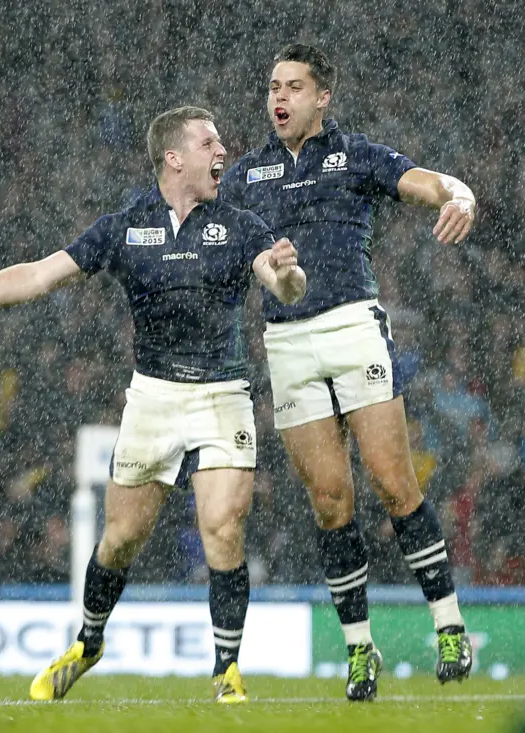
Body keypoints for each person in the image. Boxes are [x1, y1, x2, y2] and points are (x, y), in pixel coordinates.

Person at [0, 106, 306, 704]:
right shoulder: (122, 226)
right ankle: (89, 643)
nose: (223, 150)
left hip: (222, 393)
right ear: (174, 157)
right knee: (120, 540)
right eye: (208, 141)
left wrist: (288, 275)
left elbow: (282, 284)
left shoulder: (242, 225)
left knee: (223, 526)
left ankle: (226, 671)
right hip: (152, 398)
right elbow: (40, 275)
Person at [220, 44, 475, 701]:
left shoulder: (355, 154)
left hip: (352, 324)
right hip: (288, 342)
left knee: (394, 483)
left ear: (321, 96)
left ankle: (448, 624)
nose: (279, 98)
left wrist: (457, 194)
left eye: (294, 87)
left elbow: (421, 181)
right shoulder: (247, 176)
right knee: (331, 502)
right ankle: (361, 649)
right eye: (273, 85)